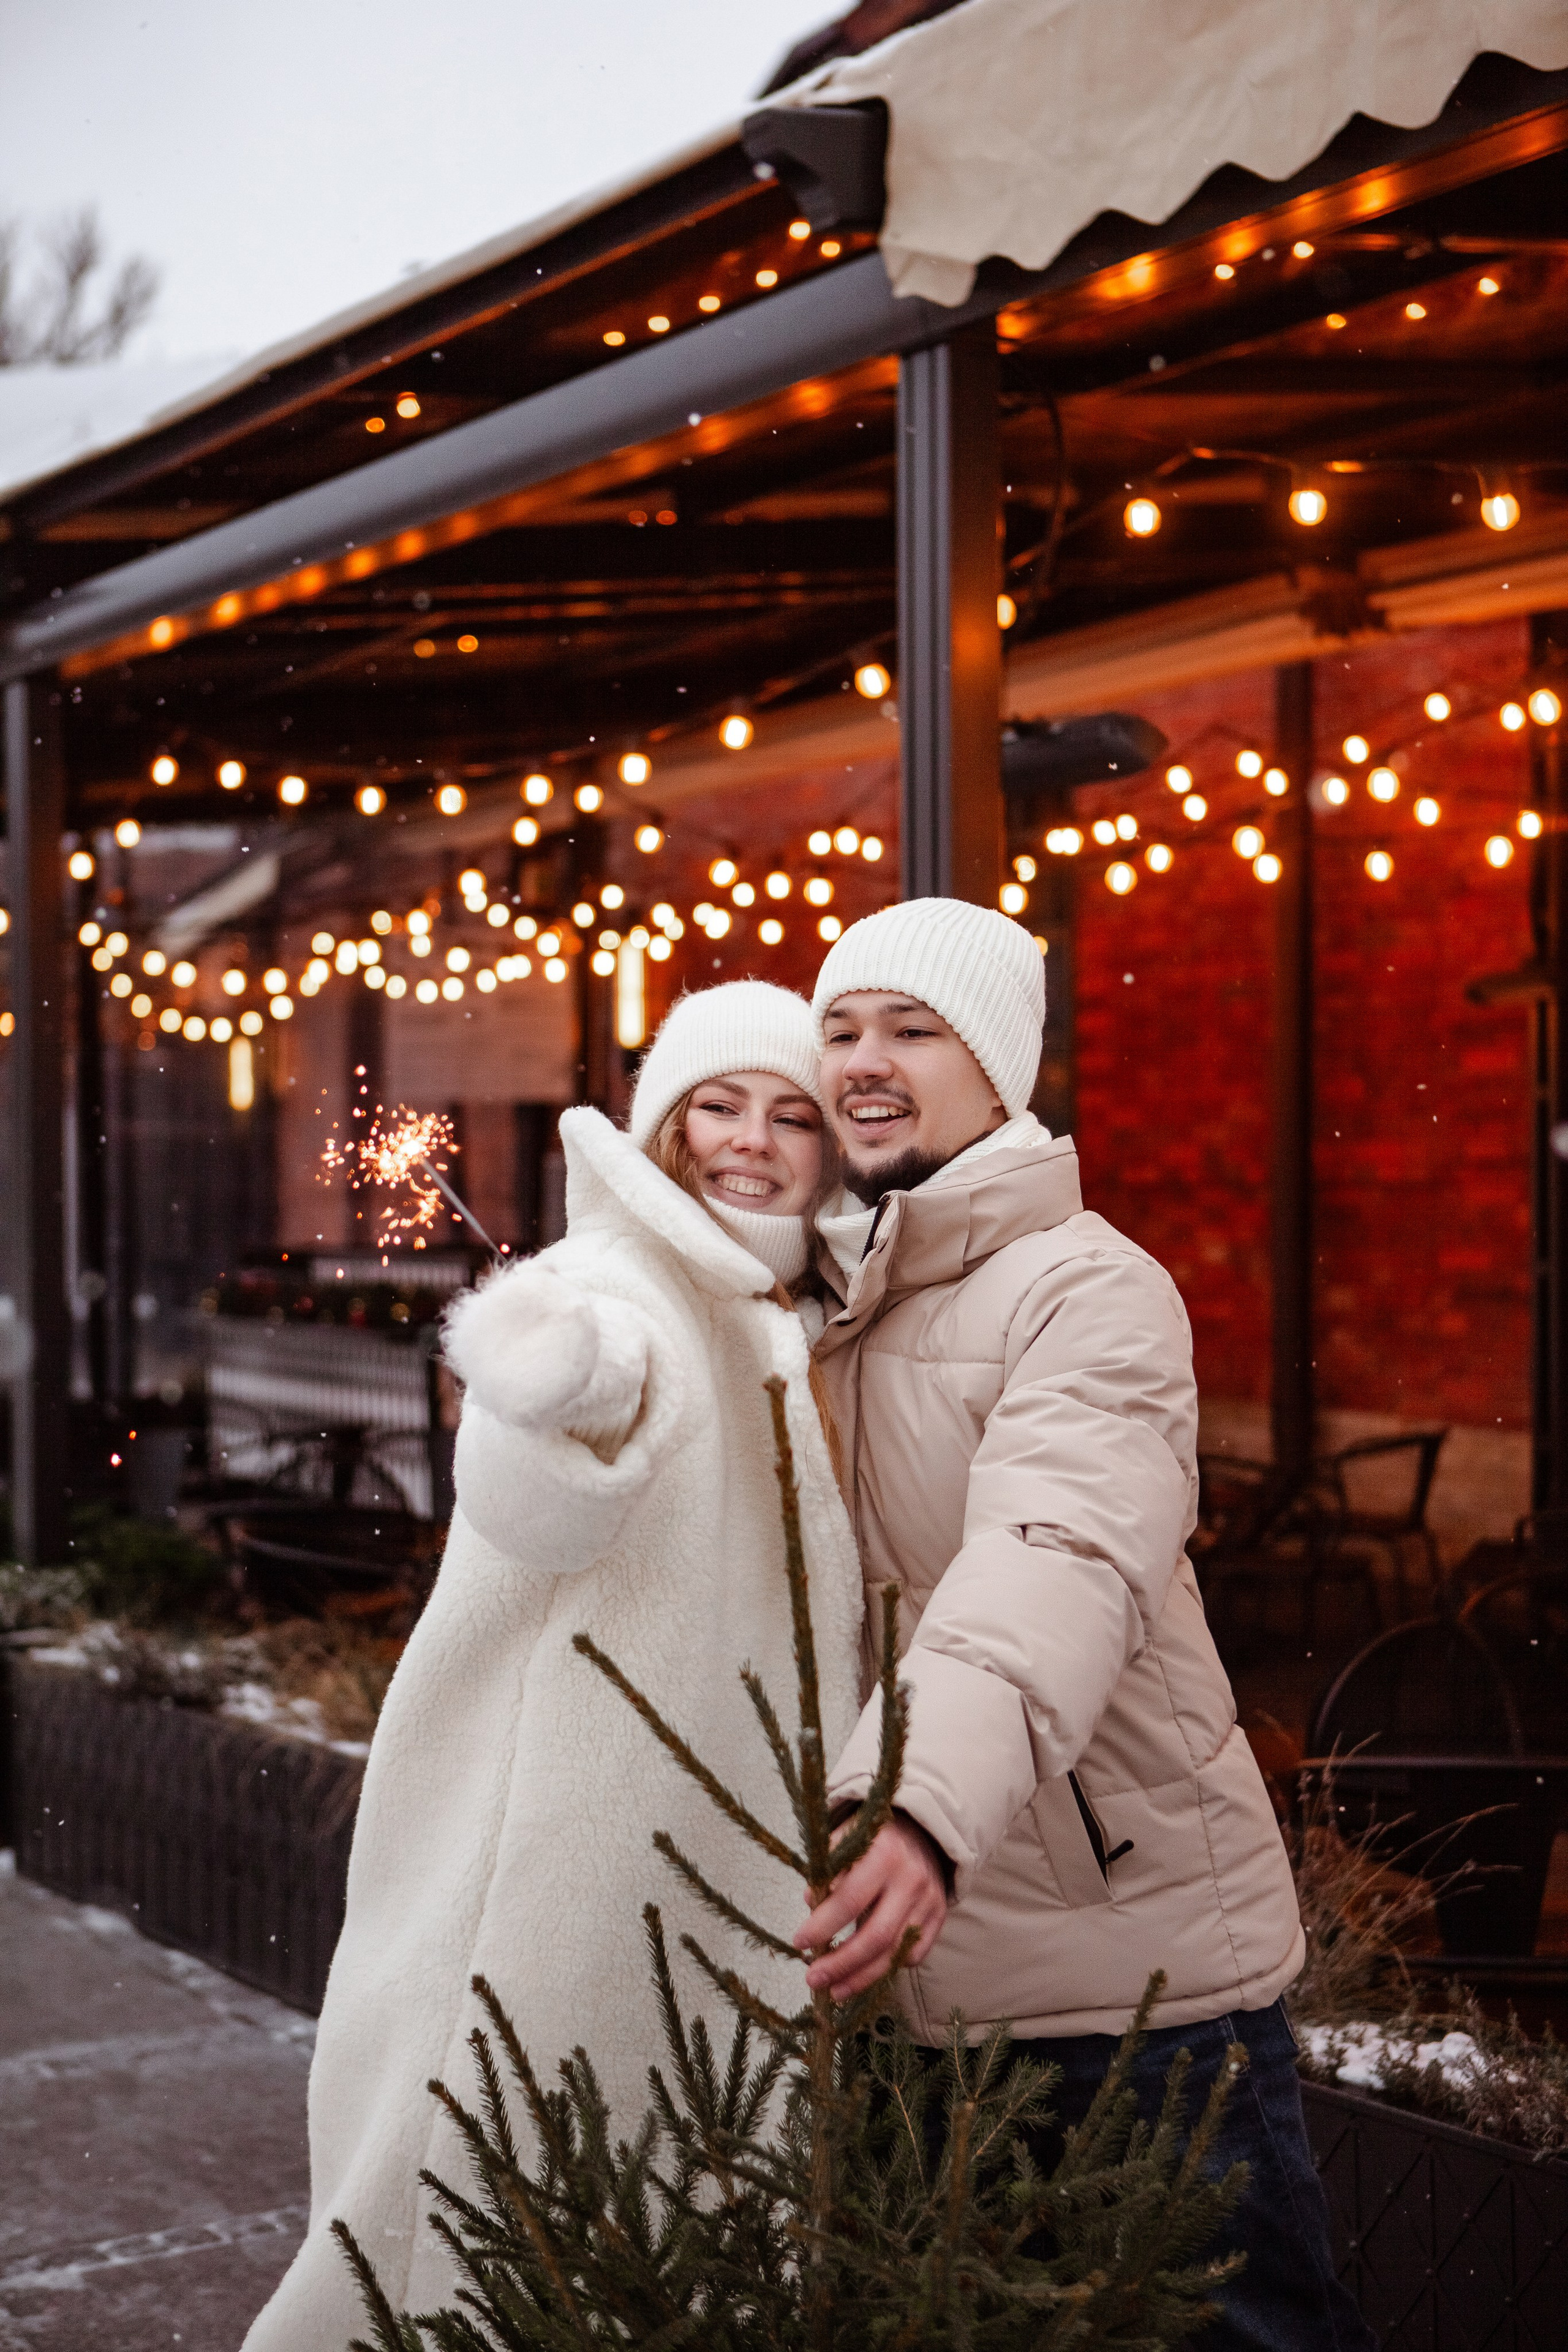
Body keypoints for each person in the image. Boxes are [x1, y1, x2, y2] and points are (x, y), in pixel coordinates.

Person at [243, 981, 864, 2351]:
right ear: (662, 1125)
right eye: (716, 1106)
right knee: (485, 2161)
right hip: (568, 1825)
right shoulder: (613, 1281)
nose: (750, 1142)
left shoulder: (798, 1307)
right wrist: (554, 1386)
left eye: (788, 1115)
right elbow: (542, 1491)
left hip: (716, 1821)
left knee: (658, 2178)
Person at [793, 897, 1374, 2351]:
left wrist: (917, 1803)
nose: (866, 1059)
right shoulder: (821, 1302)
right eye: (841, 1027)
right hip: (911, 1990)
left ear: (998, 1073)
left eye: (911, 1029)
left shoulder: (1087, 1288)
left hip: (1132, 1986)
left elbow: (1053, 1559)